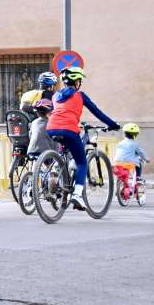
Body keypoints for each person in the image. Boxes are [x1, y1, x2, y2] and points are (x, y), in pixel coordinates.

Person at [46, 66, 120, 210]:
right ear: (76, 81)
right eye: (79, 80)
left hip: (51, 128)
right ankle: (78, 195)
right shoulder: (80, 95)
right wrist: (112, 124)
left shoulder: (55, 96)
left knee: (65, 150)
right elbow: (97, 112)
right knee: (81, 162)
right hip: (69, 130)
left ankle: (57, 175)